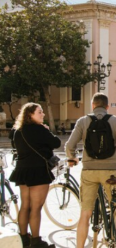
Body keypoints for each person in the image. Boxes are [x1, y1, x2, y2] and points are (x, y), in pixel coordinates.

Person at [65, 93, 116, 248]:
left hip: (89, 172)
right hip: (111, 172)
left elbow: (69, 146)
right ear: (107, 107)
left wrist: (72, 158)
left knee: (85, 213)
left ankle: (80, 246)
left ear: (93, 105)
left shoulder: (83, 121)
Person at [10, 103, 61, 248]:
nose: (42, 114)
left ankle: (24, 238)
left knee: (25, 205)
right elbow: (56, 143)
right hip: (38, 170)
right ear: (30, 114)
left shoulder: (18, 131)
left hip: (22, 170)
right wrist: (47, 130)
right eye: (39, 112)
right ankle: (36, 241)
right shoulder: (39, 129)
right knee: (36, 208)